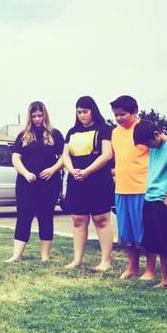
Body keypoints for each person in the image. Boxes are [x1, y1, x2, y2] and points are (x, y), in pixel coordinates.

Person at [6, 101, 64, 262]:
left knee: (46, 216)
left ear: (45, 115)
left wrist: (52, 170)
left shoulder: (55, 134)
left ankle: (45, 256)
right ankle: (16, 255)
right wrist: (25, 173)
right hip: (26, 184)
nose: (37, 119)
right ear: (29, 117)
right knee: (24, 216)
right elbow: (15, 157)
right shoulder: (23, 135)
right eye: (34, 116)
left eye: (40, 115)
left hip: (49, 184)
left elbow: (63, 158)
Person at [62, 96, 114, 271]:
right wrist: (72, 170)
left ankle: (105, 261)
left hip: (98, 180)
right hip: (76, 181)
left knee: (101, 219)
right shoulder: (71, 132)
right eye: (78, 112)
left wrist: (87, 171)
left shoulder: (105, 129)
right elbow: (65, 155)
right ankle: (78, 259)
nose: (81, 115)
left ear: (92, 111)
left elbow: (107, 154)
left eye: (84, 111)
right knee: (78, 219)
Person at [110, 95, 156, 279]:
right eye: (116, 115)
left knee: (145, 232)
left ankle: (151, 269)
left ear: (134, 112)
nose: (119, 118)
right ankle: (132, 267)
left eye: (123, 114)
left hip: (142, 189)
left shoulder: (144, 128)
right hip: (122, 189)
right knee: (127, 233)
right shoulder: (115, 133)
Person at [134, 120, 167, 291]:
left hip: (164, 200)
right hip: (151, 198)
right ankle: (164, 280)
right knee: (158, 242)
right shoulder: (153, 148)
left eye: (148, 142)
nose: (148, 146)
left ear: (156, 134)